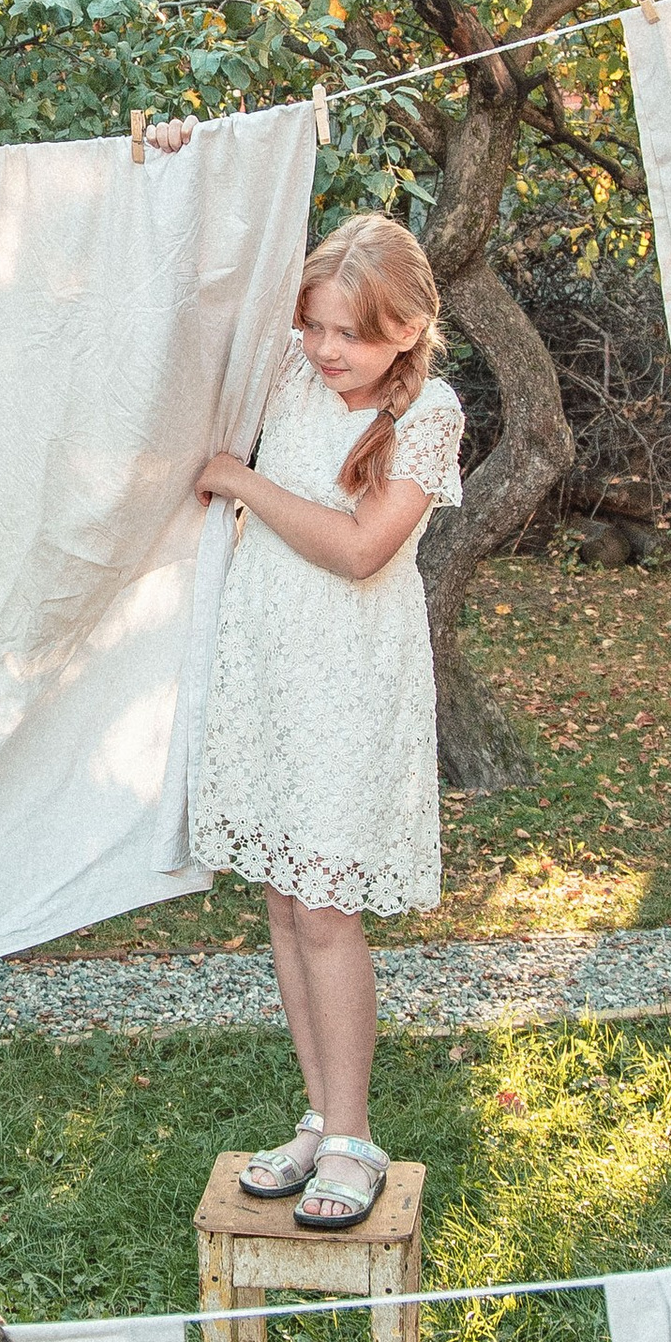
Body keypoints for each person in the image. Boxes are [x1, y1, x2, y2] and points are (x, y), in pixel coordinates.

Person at [184, 204, 464, 1229]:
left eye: (350, 333)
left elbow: (359, 549)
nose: (325, 349)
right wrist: (184, 163)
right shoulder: (293, 374)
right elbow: (213, 269)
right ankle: (315, 1116)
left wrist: (241, 482)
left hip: (349, 679)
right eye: (313, 326)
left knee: (325, 907)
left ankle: (352, 1137)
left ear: (404, 328)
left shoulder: (429, 413)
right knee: (281, 899)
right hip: (270, 667)